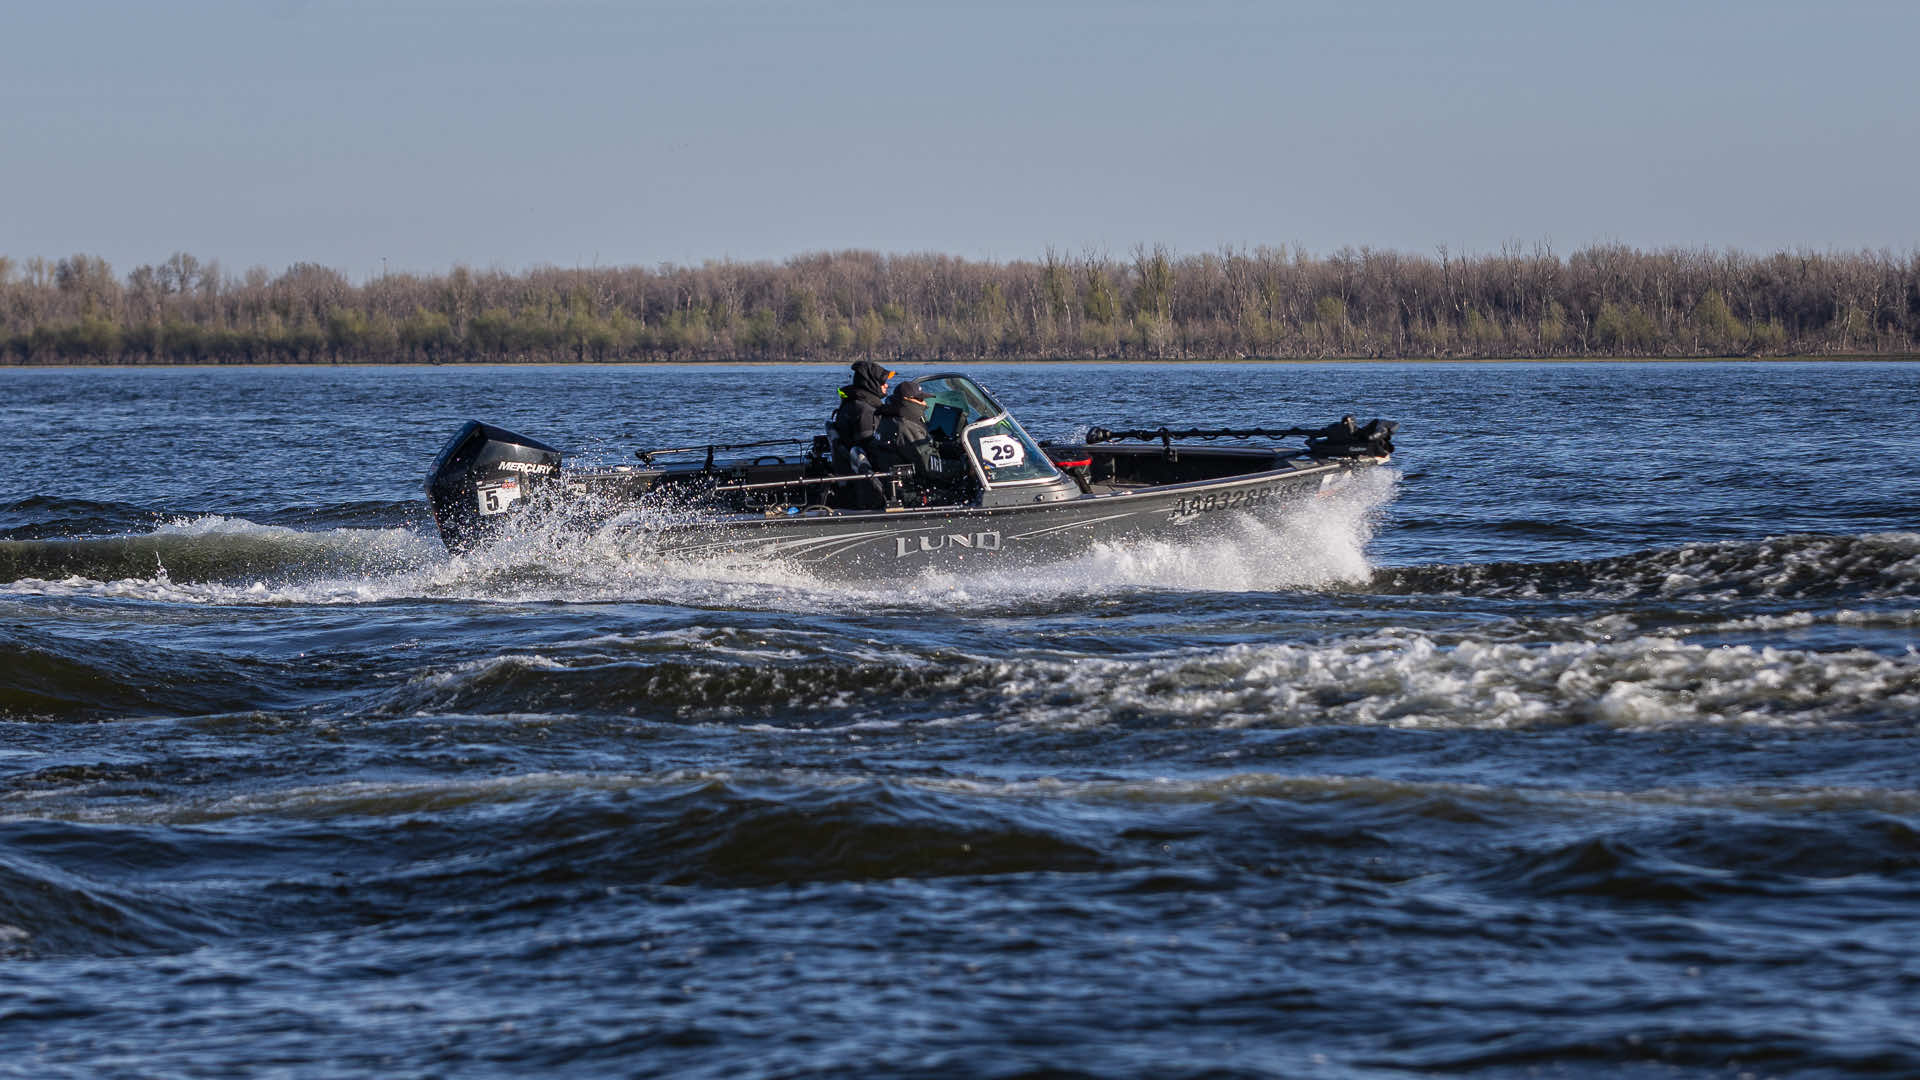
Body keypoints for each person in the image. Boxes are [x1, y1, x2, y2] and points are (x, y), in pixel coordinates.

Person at [872, 378, 945, 481]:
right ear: (907, 399)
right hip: (909, 489)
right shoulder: (905, 425)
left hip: (892, 479)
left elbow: (917, 448)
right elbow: (931, 468)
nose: (924, 403)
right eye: (920, 399)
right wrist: (965, 466)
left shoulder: (889, 417)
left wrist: (946, 447)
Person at [828, 360, 893, 472]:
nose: (886, 385)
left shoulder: (851, 402)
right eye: (882, 382)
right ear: (871, 384)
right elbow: (869, 449)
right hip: (866, 474)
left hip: (848, 467)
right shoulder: (866, 411)